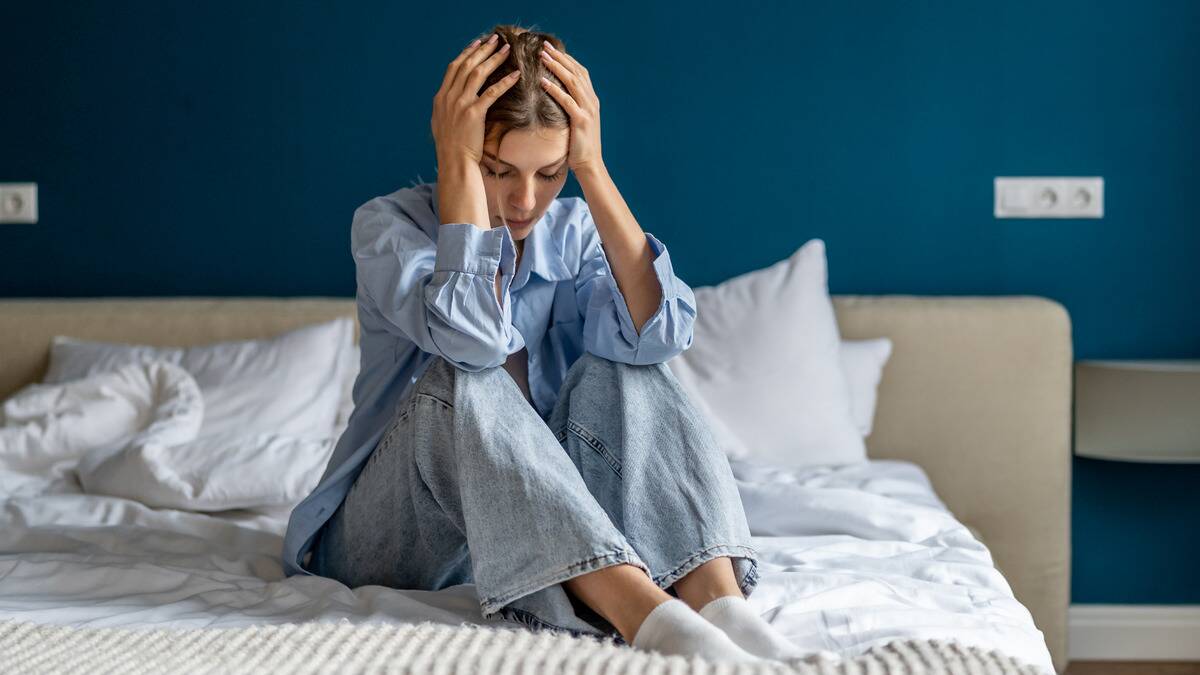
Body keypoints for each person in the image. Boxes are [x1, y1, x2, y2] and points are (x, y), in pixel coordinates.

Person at [280, 23, 805, 664]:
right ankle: (646, 612)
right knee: (464, 378)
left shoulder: (576, 232)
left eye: (550, 174)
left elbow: (660, 336)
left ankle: (720, 604)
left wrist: (593, 168)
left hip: (537, 529)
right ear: (463, 151)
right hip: (391, 536)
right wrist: (456, 170)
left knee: (631, 363)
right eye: (498, 170)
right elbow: (472, 345)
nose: (525, 200)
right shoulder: (388, 229)